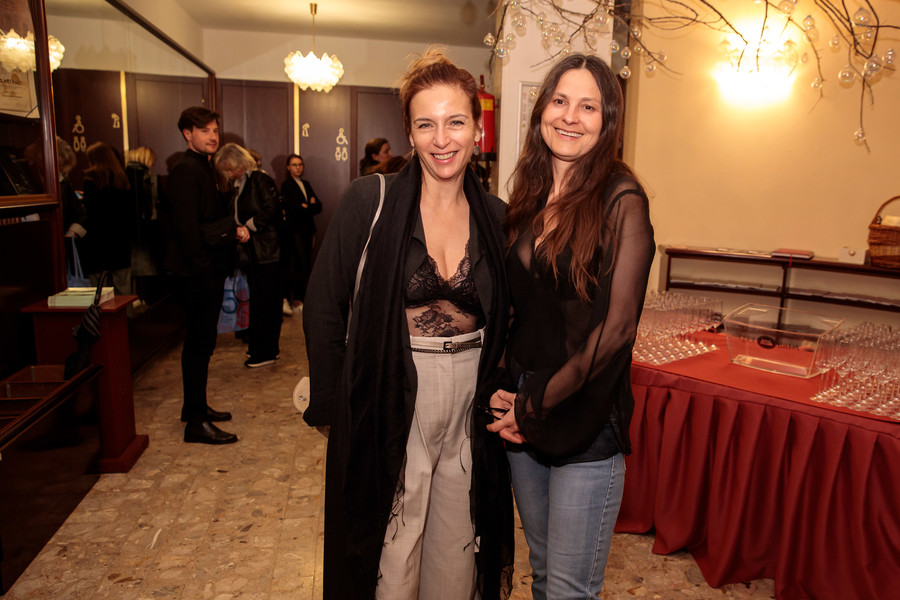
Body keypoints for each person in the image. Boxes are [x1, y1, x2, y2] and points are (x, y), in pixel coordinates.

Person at [303, 47, 513, 600]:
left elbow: (512, 316)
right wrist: (334, 407)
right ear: (409, 133)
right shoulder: (369, 202)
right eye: (426, 124)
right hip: (393, 387)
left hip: (470, 395)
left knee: (458, 547)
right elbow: (323, 304)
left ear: (477, 130)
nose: (442, 139)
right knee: (393, 549)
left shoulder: (495, 216)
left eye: (455, 122)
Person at [486, 54, 655, 599]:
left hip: (584, 419)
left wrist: (534, 402)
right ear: (542, 109)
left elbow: (618, 328)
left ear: (608, 121)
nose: (570, 116)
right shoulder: (530, 194)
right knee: (543, 573)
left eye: (588, 106)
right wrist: (504, 385)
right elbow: (519, 306)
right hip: (524, 412)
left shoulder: (622, 199)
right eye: (560, 101)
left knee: (567, 591)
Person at [161, 106, 249, 445]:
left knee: (202, 345)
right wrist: (204, 272)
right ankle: (196, 422)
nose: (213, 136)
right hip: (198, 273)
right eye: (204, 130)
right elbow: (186, 230)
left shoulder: (203, 166)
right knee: (199, 346)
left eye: (214, 130)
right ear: (188, 134)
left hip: (205, 270)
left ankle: (194, 407)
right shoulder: (186, 169)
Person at [215, 143, 283, 368]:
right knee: (259, 301)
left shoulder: (259, 179)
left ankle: (267, 351)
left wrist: (248, 227)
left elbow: (271, 209)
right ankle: (260, 348)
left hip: (267, 251)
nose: (228, 173)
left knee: (266, 302)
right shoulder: (239, 184)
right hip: (255, 251)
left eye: (229, 167)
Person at [81, 141, 134, 296]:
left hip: (98, 245)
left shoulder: (91, 179)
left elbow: (91, 213)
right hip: (120, 243)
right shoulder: (122, 178)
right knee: (123, 292)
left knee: (100, 294)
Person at [279, 153, 322, 314]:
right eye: (294, 165)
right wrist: (307, 206)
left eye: (300, 164)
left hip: (307, 231)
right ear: (288, 167)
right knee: (296, 265)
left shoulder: (306, 183)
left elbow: (318, 206)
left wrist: (307, 206)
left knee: (305, 266)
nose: (298, 168)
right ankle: (292, 300)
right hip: (294, 232)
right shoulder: (287, 185)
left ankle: (299, 299)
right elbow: (294, 208)